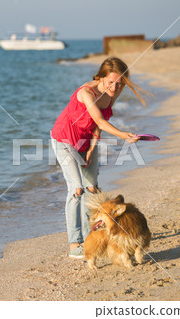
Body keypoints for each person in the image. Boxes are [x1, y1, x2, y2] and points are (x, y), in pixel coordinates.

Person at [50, 57, 147, 259]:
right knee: (76, 189)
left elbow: (95, 127)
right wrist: (124, 135)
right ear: (100, 77)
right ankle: (74, 244)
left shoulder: (114, 92)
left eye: (119, 83)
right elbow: (100, 121)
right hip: (64, 140)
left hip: (85, 143)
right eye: (110, 82)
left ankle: (90, 238)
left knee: (92, 189)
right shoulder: (86, 93)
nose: (115, 87)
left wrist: (92, 149)